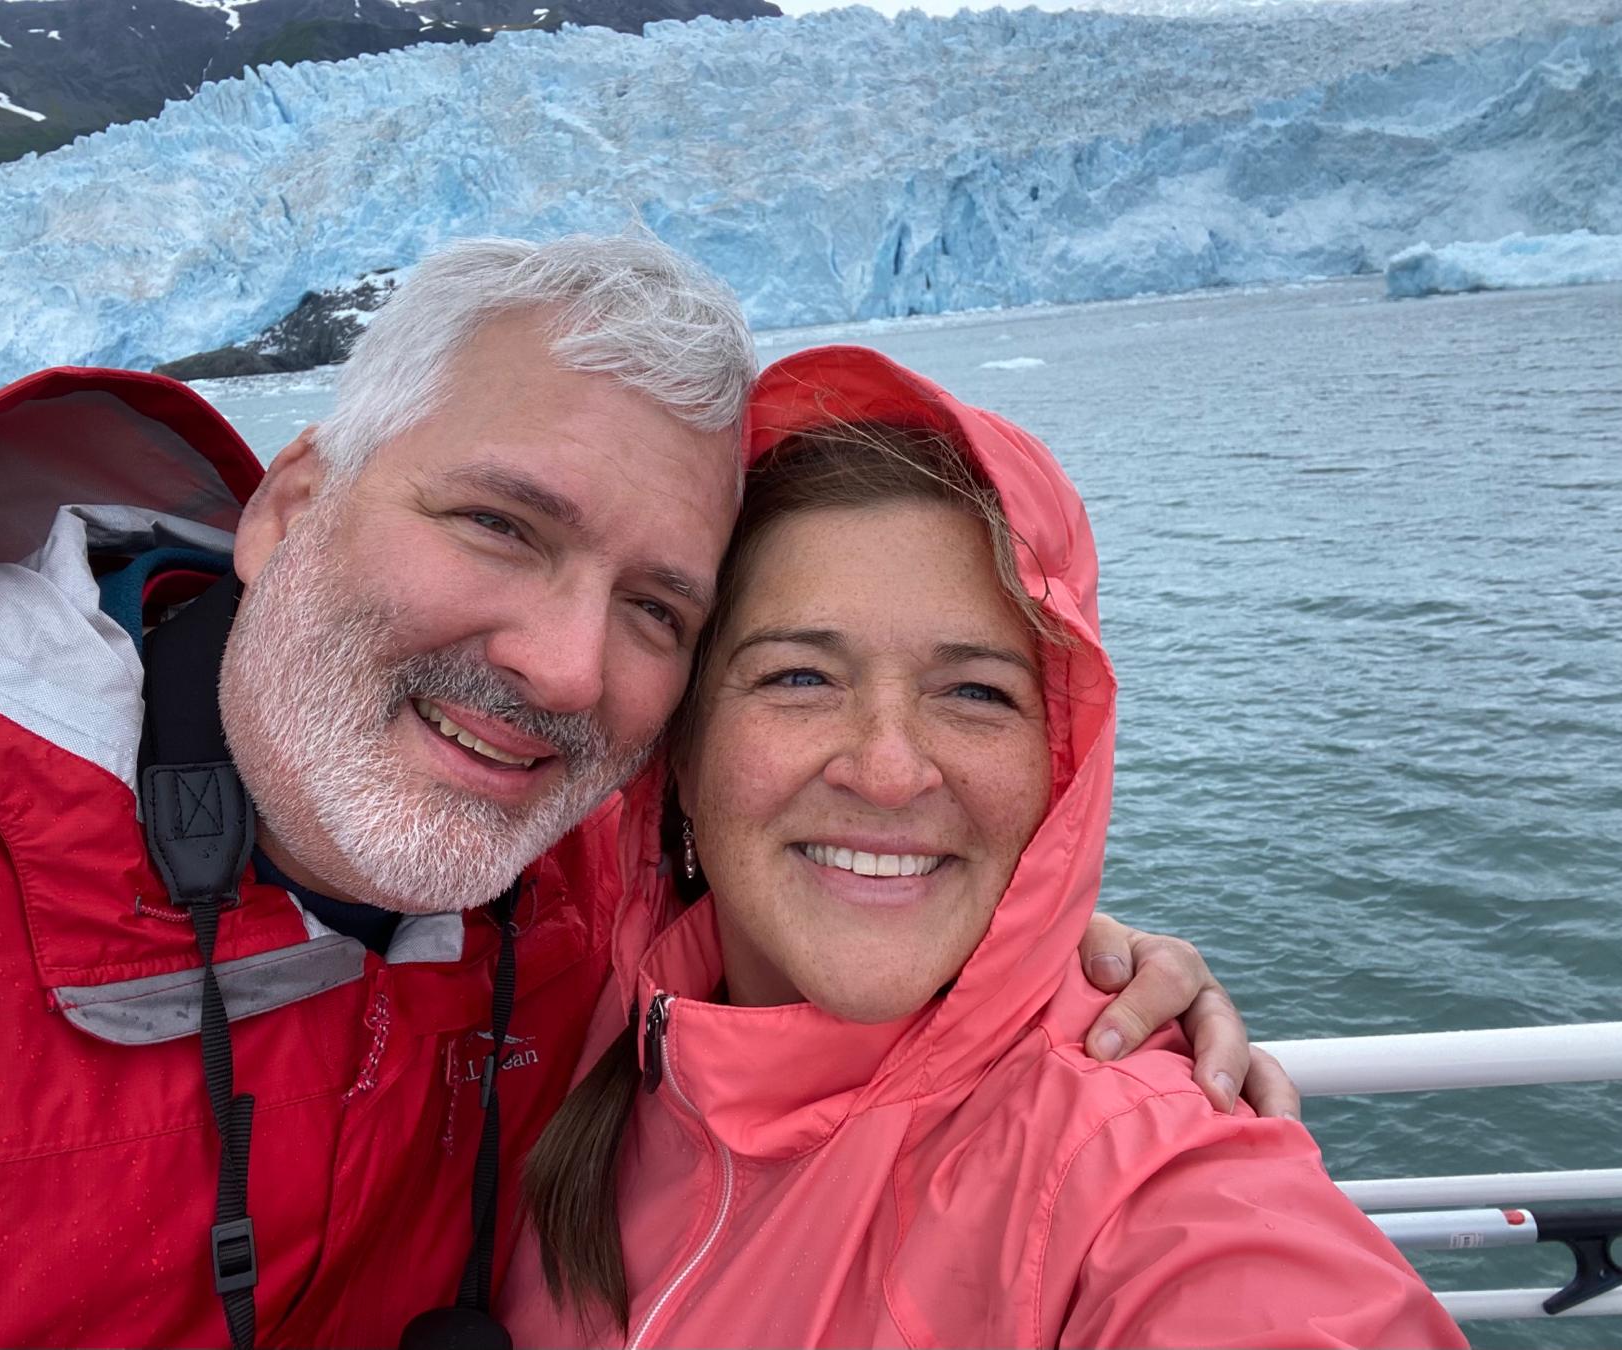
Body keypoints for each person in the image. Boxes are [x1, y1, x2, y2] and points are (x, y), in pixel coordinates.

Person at [0, 235, 1288, 1349]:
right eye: (499, 523)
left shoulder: (581, 869)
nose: (571, 668)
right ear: (289, 507)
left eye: (660, 608)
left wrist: (1042, 950)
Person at [502, 346, 1465, 1348]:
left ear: (1058, 768)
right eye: (798, 678)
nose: (887, 772)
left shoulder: (1124, 1164)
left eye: (975, 693)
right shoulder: (554, 982)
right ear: (686, 754)